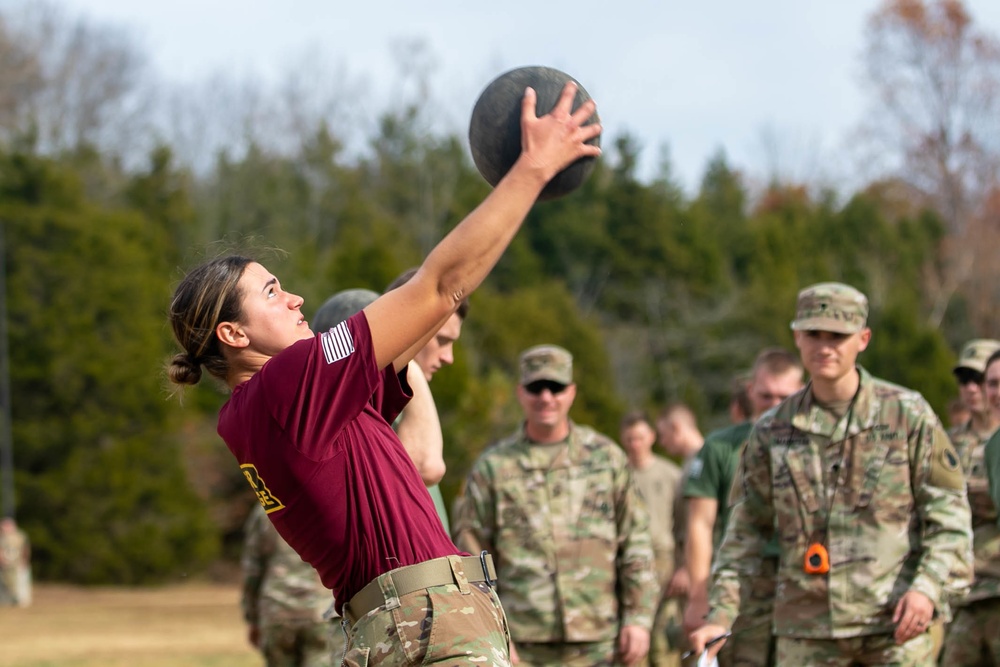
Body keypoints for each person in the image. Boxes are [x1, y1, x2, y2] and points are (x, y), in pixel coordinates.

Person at [166, 81, 601, 665]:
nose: (295, 298)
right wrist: (532, 168)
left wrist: (426, 310)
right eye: (271, 291)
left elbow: (441, 302)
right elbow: (441, 283)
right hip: (423, 625)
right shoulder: (287, 385)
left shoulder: (275, 410)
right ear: (233, 335)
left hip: (409, 625)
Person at [689, 282, 973, 666]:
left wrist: (926, 589)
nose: (825, 347)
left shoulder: (907, 416)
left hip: (894, 628)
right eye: (813, 334)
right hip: (807, 632)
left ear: (863, 339)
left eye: (838, 336)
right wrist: (720, 614)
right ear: (797, 338)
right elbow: (745, 534)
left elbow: (950, 518)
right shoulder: (773, 430)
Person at [452, 344, 657, 667]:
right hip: (522, 643)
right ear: (521, 393)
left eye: (556, 387)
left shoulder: (606, 458)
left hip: (600, 640)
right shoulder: (493, 468)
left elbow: (636, 542)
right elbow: (473, 560)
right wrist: (494, 633)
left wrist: (639, 618)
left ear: (571, 392)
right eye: (536, 387)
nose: (546, 397)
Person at [683, 348, 804, 667]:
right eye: (766, 396)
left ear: (802, 391)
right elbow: (700, 524)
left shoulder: (816, 444)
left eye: (784, 396)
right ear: (750, 391)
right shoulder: (721, 447)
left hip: (801, 584)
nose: (774, 405)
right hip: (740, 586)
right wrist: (699, 596)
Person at [386, 267, 470, 534]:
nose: (449, 357)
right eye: (442, 341)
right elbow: (426, 465)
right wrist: (405, 360)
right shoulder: (375, 405)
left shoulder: (407, 404)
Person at [939, 339, 1000, 662]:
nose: (972, 389)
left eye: (980, 379)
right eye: (965, 380)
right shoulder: (946, 443)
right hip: (961, 589)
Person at [620, 411, 684, 667]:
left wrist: (684, 567)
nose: (635, 443)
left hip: (664, 560)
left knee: (665, 637)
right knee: (634, 639)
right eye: (630, 438)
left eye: (640, 437)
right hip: (629, 561)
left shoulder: (670, 474)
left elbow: (685, 526)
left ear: (651, 438)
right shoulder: (619, 474)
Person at [241, 504, 341, 667]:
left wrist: (252, 617)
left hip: (276, 610)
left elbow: (253, 569)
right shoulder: (322, 502)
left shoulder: (265, 508)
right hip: (319, 610)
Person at [0, 516, 30, 607]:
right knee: (5, 582)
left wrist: (24, 561)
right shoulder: (2, 537)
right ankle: (6, 600)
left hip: (15, 563)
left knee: (16, 582)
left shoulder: (20, 536)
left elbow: (25, 549)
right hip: (4, 564)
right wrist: (2, 560)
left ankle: (16, 600)